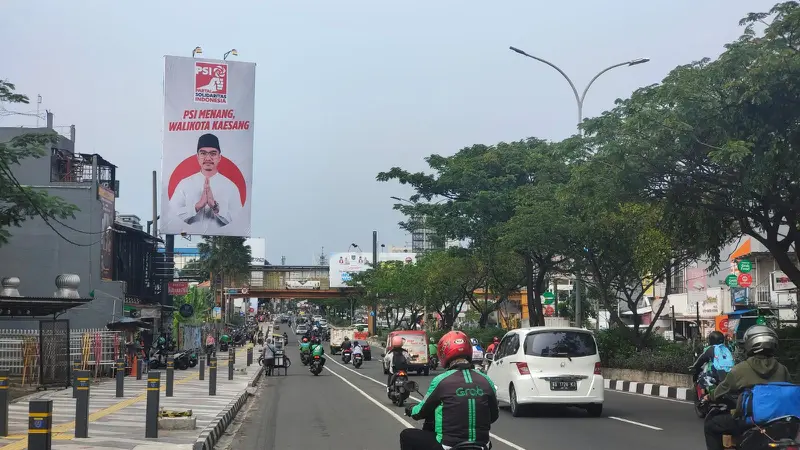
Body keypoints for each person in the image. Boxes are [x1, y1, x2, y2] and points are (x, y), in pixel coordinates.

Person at [401, 330, 499, 450]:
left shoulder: (441, 380)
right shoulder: (486, 380)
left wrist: (411, 409)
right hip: (482, 446)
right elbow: (494, 415)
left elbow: (420, 412)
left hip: (448, 446)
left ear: (443, 353)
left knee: (406, 435)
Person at [703, 325, 792, 450]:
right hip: (781, 422)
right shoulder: (782, 369)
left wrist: (709, 396)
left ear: (750, 344)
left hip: (751, 421)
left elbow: (721, 389)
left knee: (711, 425)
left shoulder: (740, 369)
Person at [168, 133, 242, 231]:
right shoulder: (185, 184)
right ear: (197, 157)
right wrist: (197, 206)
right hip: (189, 238)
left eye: (213, 154)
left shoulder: (231, 187)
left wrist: (215, 207)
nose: (208, 158)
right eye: (203, 153)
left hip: (219, 242)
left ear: (219, 157)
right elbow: (171, 217)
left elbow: (239, 221)